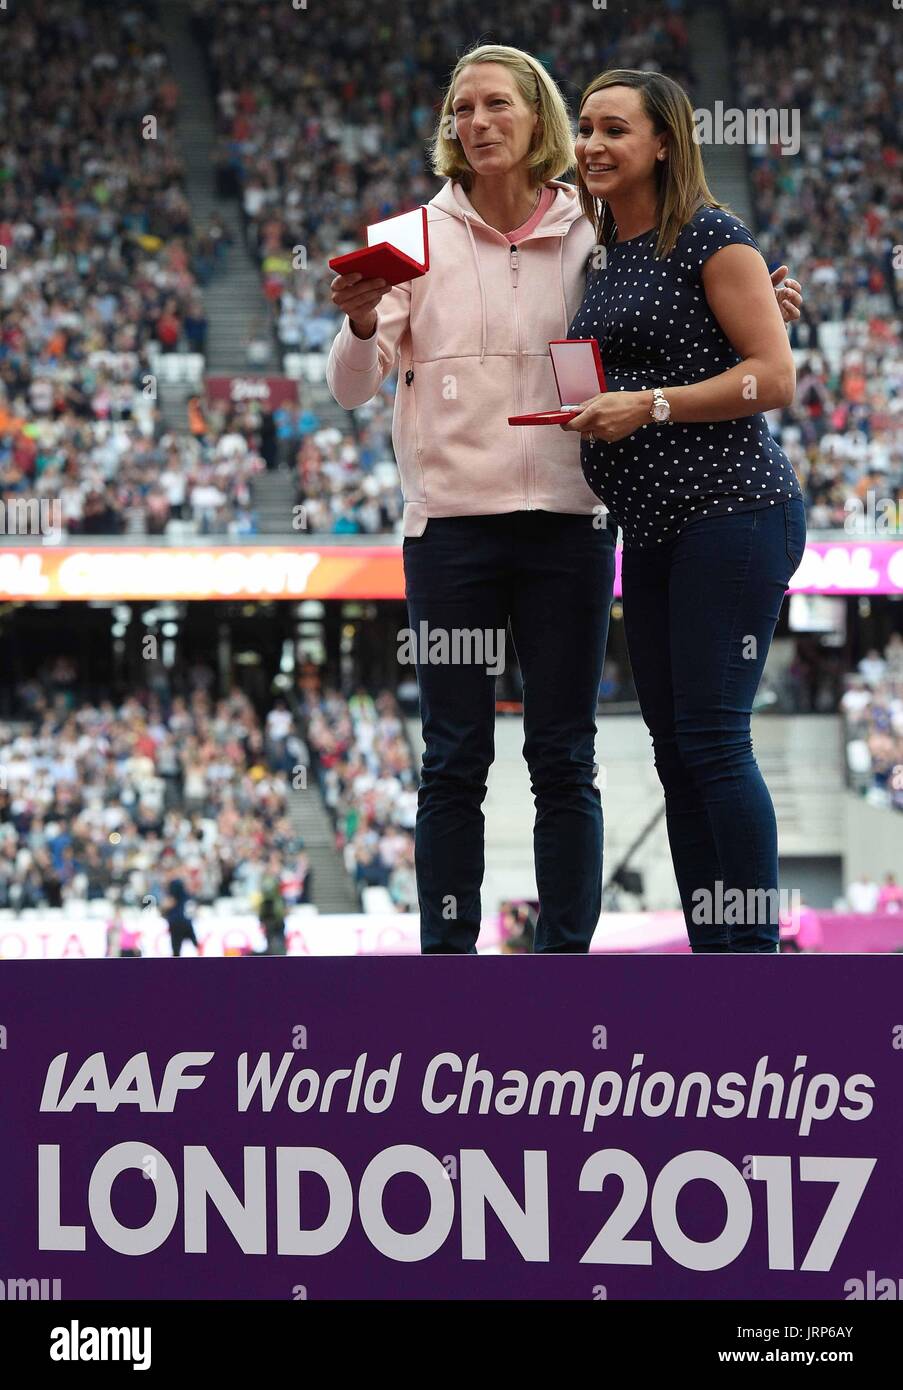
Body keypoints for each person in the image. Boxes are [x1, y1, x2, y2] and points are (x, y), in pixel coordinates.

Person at [326, 45, 802, 957]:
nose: (478, 122)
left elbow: (705, 306)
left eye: (498, 104)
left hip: (574, 526)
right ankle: (446, 961)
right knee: (454, 759)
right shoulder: (407, 240)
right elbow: (351, 387)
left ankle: (571, 961)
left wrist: (760, 300)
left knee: (569, 757)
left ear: (532, 117)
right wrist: (356, 322)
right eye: (462, 108)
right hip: (452, 530)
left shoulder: (594, 232)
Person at [561, 69, 806, 953]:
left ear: (662, 142)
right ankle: (713, 963)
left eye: (613, 129)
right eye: (584, 127)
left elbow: (773, 378)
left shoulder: (711, 236)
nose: (590, 144)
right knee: (674, 751)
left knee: (709, 738)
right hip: (656, 529)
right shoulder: (603, 253)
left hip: (732, 515)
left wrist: (650, 404)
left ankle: (752, 958)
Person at [163, 877, 198, 957]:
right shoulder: (187, 896)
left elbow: (168, 905)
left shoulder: (174, 895)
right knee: (196, 945)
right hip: (187, 923)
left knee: (176, 950)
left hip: (176, 923)